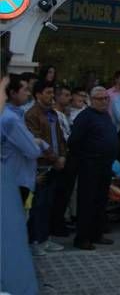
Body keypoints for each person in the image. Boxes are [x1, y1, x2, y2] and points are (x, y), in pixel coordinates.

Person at [0, 76, 40, 295]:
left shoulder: (14, 115)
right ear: (11, 92)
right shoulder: (10, 119)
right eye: (24, 89)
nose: (27, 93)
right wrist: (39, 143)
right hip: (18, 181)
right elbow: (32, 150)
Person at [69, 87, 117, 250]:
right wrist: (87, 158)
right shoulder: (85, 117)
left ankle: (97, 234)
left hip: (105, 165)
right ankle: (82, 238)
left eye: (106, 98)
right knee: (87, 202)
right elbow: (74, 142)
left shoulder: (105, 115)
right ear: (91, 100)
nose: (104, 101)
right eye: (100, 99)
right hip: (90, 166)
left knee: (100, 202)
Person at [25, 80, 66, 255]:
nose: (51, 96)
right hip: (42, 166)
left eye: (52, 93)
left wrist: (63, 156)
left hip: (55, 164)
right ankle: (35, 240)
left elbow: (60, 137)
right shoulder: (32, 115)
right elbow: (36, 142)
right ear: (38, 94)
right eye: (48, 92)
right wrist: (54, 158)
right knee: (38, 205)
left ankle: (45, 238)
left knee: (49, 204)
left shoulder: (53, 114)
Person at [50, 84, 76, 237]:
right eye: (65, 95)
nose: (69, 98)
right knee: (60, 194)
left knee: (65, 193)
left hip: (68, 156)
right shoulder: (55, 115)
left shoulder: (65, 114)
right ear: (57, 96)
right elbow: (63, 138)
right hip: (61, 157)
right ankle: (55, 225)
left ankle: (59, 222)